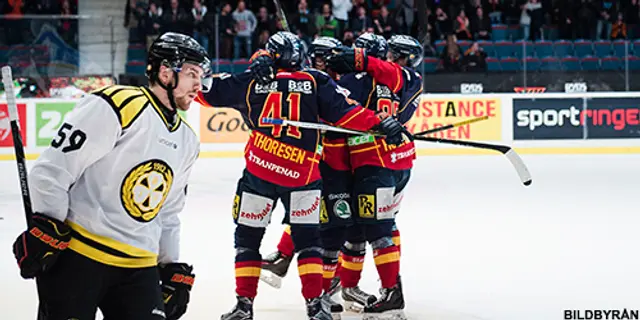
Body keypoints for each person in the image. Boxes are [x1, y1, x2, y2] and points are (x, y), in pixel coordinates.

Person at [197, 31, 407, 320]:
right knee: (309, 242)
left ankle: (244, 306)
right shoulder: (315, 81)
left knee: (247, 240)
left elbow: (203, 91)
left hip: (260, 170)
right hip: (303, 174)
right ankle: (315, 306)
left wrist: (251, 63)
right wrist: (381, 122)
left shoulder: (253, 79)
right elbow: (347, 114)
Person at [11, 32, 210, 320]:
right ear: (166, 72)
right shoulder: (118, 104)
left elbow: (168, 213)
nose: (199, 84)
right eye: (192, 74)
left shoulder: (188, 141)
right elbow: (54, 168)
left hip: (138, 268)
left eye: (201, 76)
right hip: (80, 256)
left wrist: (170, 266)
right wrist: (47, 224)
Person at [324, 33, 425, 319]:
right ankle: (364, 283)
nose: (388, 55)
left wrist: (344, 67)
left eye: (394, 52)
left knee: (377, 227)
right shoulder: (406, 81)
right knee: (375, 223)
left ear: (404, 58)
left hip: (374, 162)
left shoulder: (388, 77)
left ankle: (392, 289)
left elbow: (336, 102)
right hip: (399, 159)